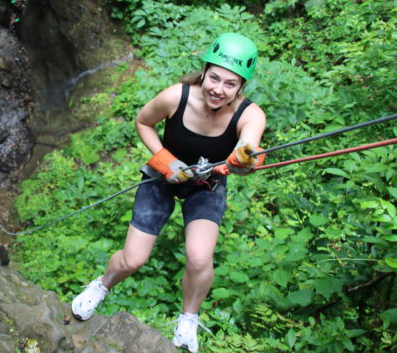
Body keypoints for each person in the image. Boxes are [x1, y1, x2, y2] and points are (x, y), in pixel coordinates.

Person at [71, 33, 267, 352]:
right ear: (204, 71)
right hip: (163, 178)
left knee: (200, 257)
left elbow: (250, 143)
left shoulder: (250, 114)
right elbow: (143, 122)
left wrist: (245, 157)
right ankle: (101, 286)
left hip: (206, 184)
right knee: (134, 258)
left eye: (230, 84)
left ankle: (188, 318)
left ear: (241, 87)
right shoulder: (177, 97)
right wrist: (166, 160)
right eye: (214, 77)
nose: (219, 88)